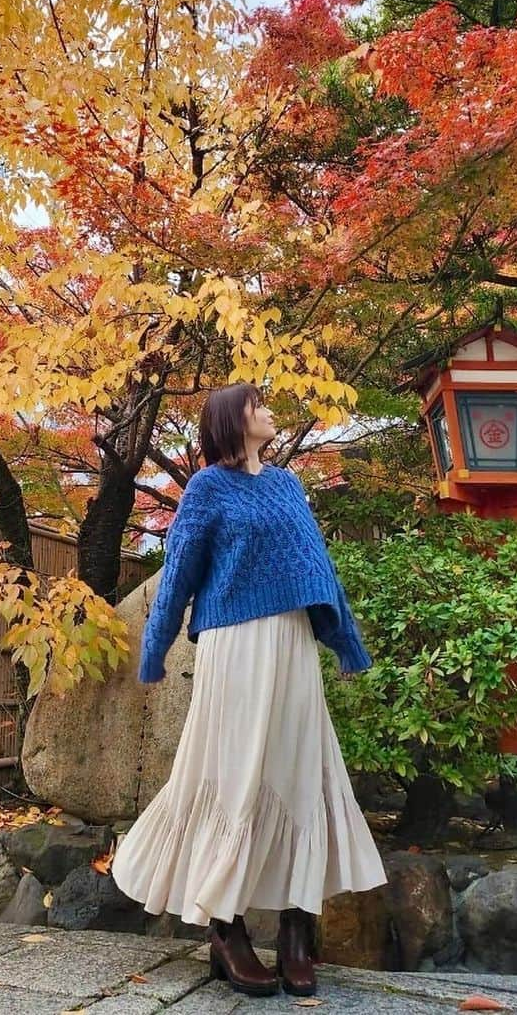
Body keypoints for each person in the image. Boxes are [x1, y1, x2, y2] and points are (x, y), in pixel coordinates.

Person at [112, 382, 386, 998]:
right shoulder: (209, 487)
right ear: (232, 421)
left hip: (292, 648)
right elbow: (179, 569)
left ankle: (296, 929)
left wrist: (344, 640)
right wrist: (153, 649)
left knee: (297, 775)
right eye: (258, 405)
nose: (269, 411)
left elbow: (319, 568)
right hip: (234, 647)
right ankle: (226, 928)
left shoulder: (288, 485)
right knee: (232, 776)